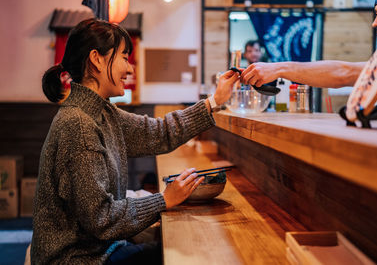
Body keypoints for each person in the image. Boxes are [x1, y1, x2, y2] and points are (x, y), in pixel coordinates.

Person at [31, 19, 239, 264]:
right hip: (78, 258)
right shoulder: (78, 124)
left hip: (100, 248)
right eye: (123, 57)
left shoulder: (101, 112)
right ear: (96, 59)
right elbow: (101, 219)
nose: (129, 69)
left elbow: (158, 133)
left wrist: (213, 101)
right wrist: (164, 199)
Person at [241, 0, 377, 88]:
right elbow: (344, 72)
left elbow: (345, 73)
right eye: (376, 14)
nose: (375, 23)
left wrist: (280, 68)